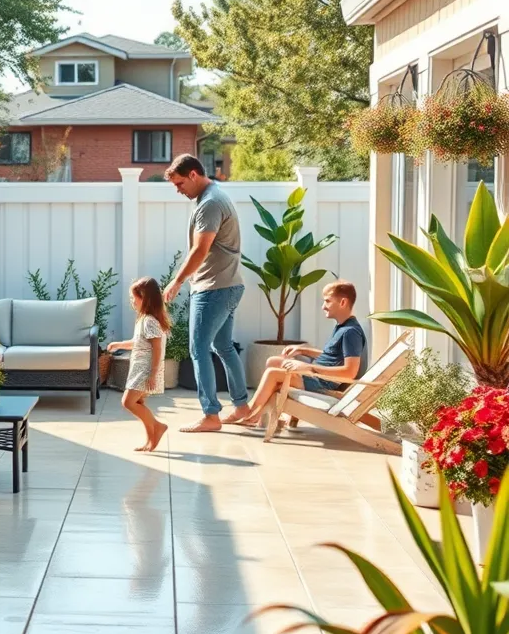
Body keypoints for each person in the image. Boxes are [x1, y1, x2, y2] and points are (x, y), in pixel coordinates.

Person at [162, 155, 250, 432]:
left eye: (179, 183)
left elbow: (200, 250)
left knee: (198, 348)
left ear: (193, 175)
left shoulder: (210, 203)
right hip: (229, 284)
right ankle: (243, 408)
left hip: (213, 287)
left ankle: (211, 415)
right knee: (223, 346)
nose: (178, 190)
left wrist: (177, 281)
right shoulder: (213, 196)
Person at [237, 280, 367, 427]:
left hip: (322, 383)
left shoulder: (351, 333)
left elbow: (350, 372)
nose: (323, 306)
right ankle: (272, 415)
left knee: (273, 373)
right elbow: (331, 357)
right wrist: (302, 350)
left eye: (327, 301)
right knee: (274, 361)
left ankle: (251, 415)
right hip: (316, 377)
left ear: (343, 302)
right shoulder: (343, 327)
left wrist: (307, 368)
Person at [108, 277, 170, 452]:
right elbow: (138, 343)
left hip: (145, 370)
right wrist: (119, 345)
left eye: (134, 297)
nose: (131, 301)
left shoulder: (150, 321)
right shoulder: (144, 320)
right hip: (139, 369)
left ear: (145, 298)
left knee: (128, 402)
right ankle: (151, 438)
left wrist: (153, 373)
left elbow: (157, 349)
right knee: (139, 403)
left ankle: (157, 427)